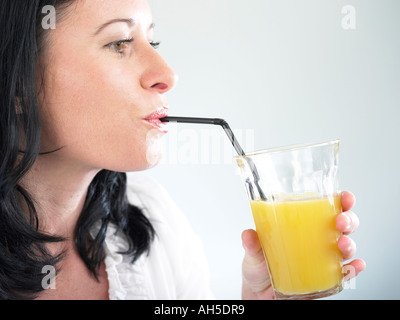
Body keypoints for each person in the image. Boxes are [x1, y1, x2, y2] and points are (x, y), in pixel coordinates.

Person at [0, 0, 365, 300]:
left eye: (152, 43)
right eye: (119, 44)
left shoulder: (154, 221)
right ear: (19, 83)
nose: (167, 74)